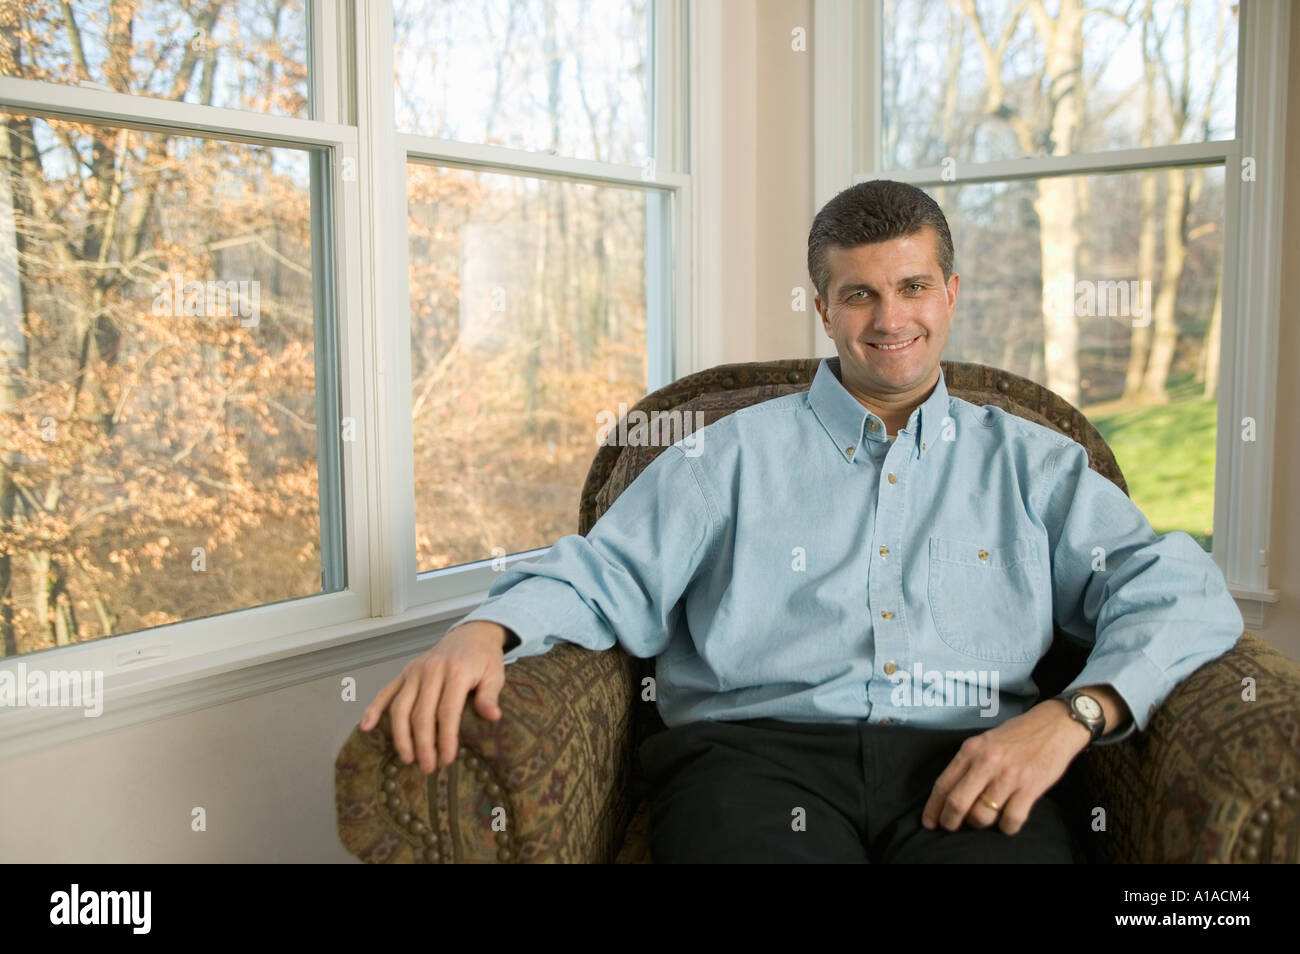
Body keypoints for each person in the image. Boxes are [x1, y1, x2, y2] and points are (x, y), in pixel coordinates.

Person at [360, 180, 1244, 863]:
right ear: (822, 308)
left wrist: (1074, 714)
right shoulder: (722, 456)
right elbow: (608, 574)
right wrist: (486, 627)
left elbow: (1180, 590)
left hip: (978, 760)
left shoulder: (1037, 464)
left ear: (950, 291)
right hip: (751, 765)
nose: (890, 319)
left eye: (912, 286)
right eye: (859, 295)